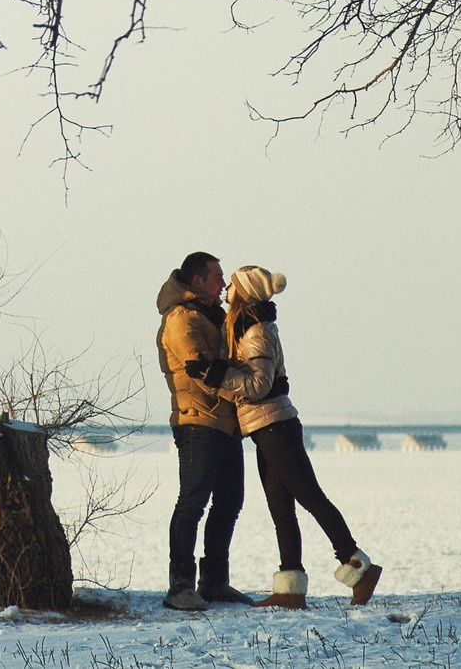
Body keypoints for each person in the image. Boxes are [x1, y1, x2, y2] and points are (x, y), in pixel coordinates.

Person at [216, 265, 383, 609]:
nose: (226, 289)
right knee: (281, 509)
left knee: (309, 496)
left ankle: (357, 565)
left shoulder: (256, 332)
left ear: (245, 292)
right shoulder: (244, 327)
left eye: (232, 284)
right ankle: (290, 588)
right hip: (265, 428)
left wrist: (218, 374)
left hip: (276, 427)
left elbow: (260, 385)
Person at [155, 251, 249, 611]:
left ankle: (214, 582)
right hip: (197, 421)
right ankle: (180, 585)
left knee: (229, 501)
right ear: (197, 281)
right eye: (217, 278)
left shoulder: (212, 316)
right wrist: (250, 387)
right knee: (192, 501)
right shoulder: (181, 319)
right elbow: (201, 371)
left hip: (225, 423)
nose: (223, 284)